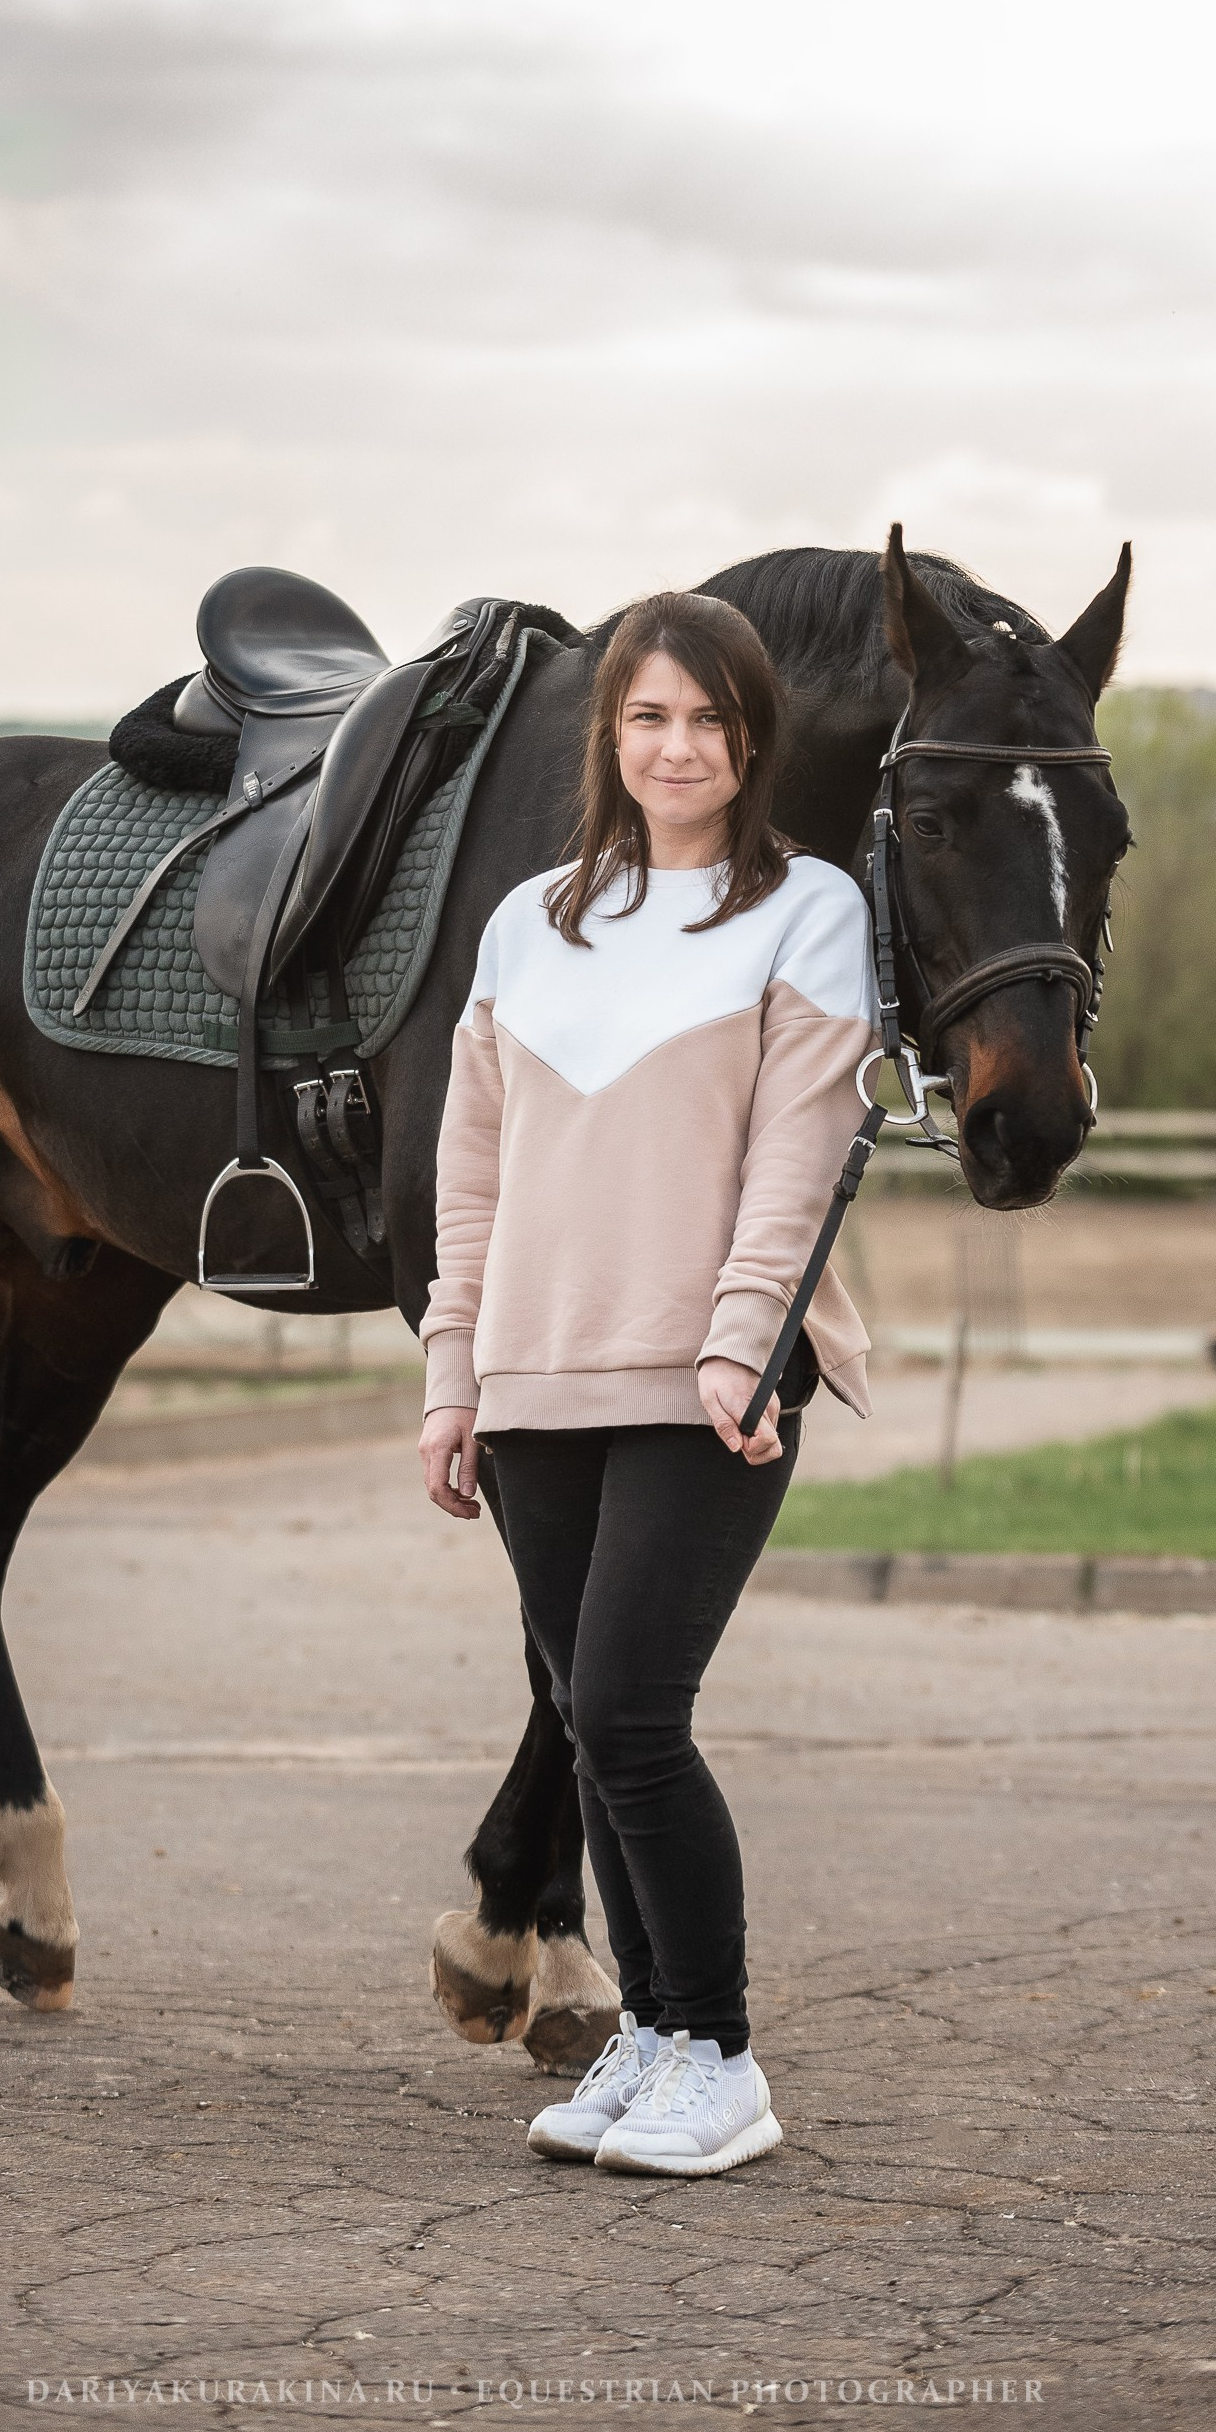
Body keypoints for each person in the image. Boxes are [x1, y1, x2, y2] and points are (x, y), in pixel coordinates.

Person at [418, 588, 878, 2177]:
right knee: (583, 1711)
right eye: (648, 717)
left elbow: (800, 1153)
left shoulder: (809, 909)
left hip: (709, 1379)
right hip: (535, 1374)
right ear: (609, 738)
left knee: (627, 1710)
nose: (677, 746)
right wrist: (449, 1372)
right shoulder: (526, 920)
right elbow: (468, 1172)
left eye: (708, 720)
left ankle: (724, 2059)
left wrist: (744, 1343)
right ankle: (659, 2034)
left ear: (751, 744)